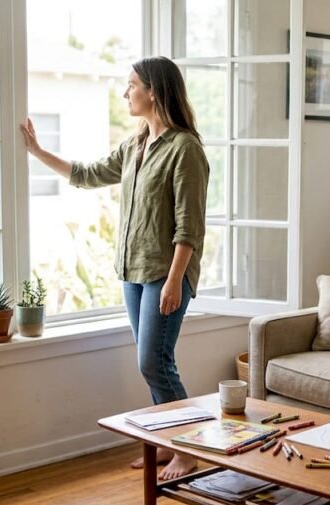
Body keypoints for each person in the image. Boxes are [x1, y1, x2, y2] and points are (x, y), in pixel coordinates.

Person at [21, 56, 209, 480]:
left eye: (132, 85)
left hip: (165, 273)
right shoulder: (135, 145)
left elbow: (189, 225)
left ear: (154, 91)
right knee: (154, 362)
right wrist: (37, 152)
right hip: (133, 271)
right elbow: (87, 174)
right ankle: (164, 444)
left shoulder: (185, 149)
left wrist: (176, 279)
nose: (126, 93)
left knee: (154, 362)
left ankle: (188, 448)